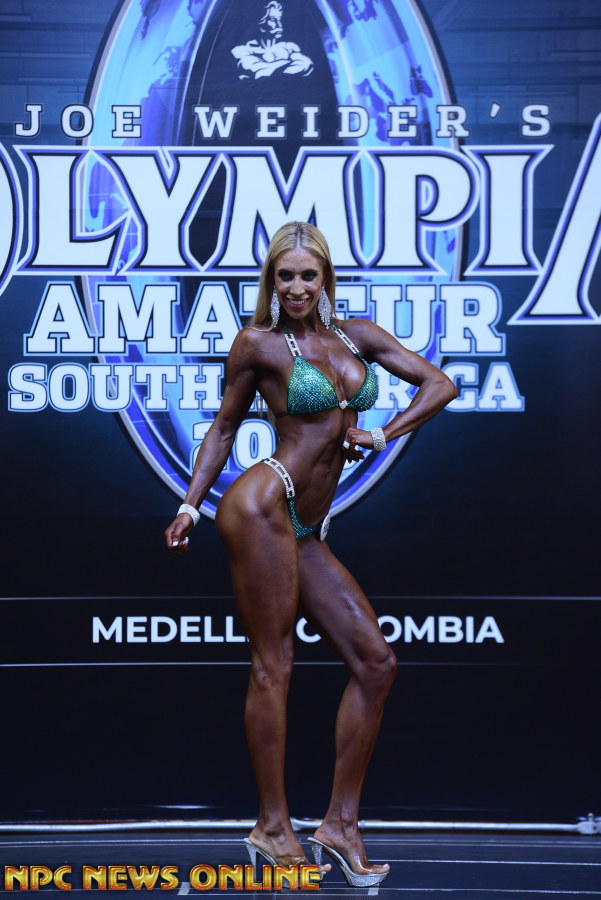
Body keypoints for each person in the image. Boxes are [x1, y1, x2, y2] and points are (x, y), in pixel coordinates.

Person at [164, 221, 458, 885]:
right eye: (284, 276)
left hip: (305, 524)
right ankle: (272, 827)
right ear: (271, 281)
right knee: (274, 665)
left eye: (307, 275)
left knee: (376, 662)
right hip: (262, 503)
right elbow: (223, 428)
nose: (296, 287)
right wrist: (189, 505)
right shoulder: (258, 343)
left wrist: (384, 431)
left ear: (325, 277)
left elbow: (438, 385)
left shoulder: (357, 336)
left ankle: (339, 824)